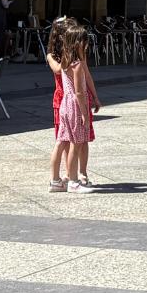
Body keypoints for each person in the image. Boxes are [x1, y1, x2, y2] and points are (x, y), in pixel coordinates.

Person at [47, 21, 99, 194]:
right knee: (76, 144)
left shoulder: (63, 61)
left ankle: (55, 181)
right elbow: (79, 93)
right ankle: (73, 181)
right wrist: (85, 113)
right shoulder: (76, 65)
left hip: (64, 105)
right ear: (79, 43)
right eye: (85, 42)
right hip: (74, 106)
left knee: (61, 143)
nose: (87, 45)